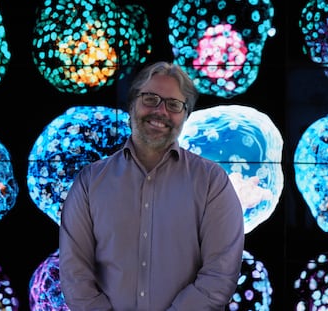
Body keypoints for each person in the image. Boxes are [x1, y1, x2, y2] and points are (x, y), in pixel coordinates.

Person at [59, 61, 245, 311]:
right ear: (132, 104)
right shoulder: (89, 183)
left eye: (174, 104)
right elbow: (74, 274)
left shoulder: (213, 182)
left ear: (186, 115)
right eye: (150, 98)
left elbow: (220, 276)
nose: (161, 111)